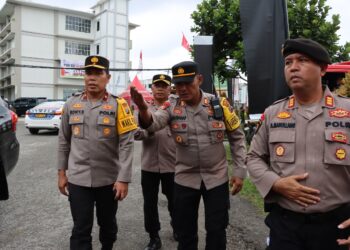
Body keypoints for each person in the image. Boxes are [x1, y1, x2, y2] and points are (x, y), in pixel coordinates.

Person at [130, 61, 247, 250]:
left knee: (217, 230)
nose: (182, 88)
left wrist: (240, 171)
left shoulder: (218, 104)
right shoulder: (171, 107)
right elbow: (153, 124)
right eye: (178, 84)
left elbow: (237, 136)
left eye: (187, 83)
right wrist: (143, 109)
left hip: (216, 178)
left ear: (199, 79)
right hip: (185, 179)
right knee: (185, 234)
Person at [246, 38, 350, 250]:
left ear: (322, 69)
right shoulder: (274, 113)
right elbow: (254, 157)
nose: (293, 67)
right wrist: (276, 183)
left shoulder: (347, 112)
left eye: (302, 60)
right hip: (286, 226)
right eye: (288, 62)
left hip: (337, 225)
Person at [57, 55, 137, 250]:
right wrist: (61, 174)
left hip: (108, 180)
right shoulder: (71, 104)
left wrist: (123, 178)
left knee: (108, 226)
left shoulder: (119, 105)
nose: (92, 78)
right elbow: (63, 141)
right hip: (78, 180)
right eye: (88, 73)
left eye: (98, 73)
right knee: (80, 229)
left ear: (108, 77)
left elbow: (127, 144)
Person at [134, 74, 177, 250]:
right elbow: (136, 132)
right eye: (156, 85)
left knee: (176, 201)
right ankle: (154, 237)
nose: (160, 88)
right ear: (151, 88)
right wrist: (147, 130)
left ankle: (178, 227)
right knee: (149, 204)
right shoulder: (143, 108)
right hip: (149, 165)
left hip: (172, 164)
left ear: (169, 88)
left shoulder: (177, 107)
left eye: (163, 85)